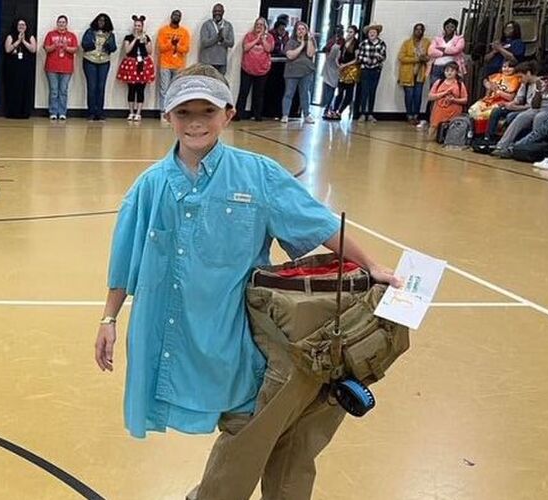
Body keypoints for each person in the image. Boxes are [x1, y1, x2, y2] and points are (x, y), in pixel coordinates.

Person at [95, 63, 400, 500]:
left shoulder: (260, 176)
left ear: (228, 113)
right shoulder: (150, 186)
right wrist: (108, 319)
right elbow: (124, 260)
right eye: (184, 113)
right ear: (168, 117)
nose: (196, 122)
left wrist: (372, 266)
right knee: (252, 429)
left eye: (207, 110)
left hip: (244, 334)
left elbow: (318, 224)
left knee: (257, 424)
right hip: (177, 334)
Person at [118, 15, 155, 121]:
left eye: (139, 26)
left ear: (142, 26)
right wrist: (135, 39)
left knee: (140, 89)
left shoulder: (146, 37)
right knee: (131, 89)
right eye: (135, 25)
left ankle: (139, 112)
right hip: (132, 64)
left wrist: (144, 40)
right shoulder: (128, 37)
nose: (137, 27)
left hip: (143, 64)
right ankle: (131, 112)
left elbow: (149, 51)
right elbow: (127, 50)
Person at [236, 18, 273, 121]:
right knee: (243, 92)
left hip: (262, 70)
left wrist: (263, 39)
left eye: (261, 25)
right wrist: (257, 39)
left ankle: (257, 115)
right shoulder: (249, 36)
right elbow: (246, 48)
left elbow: (269, 49)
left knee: (258, 94)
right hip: (247, 68)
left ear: (265, 27)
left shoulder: (269, 37)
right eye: (257, 24)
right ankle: (238, 114)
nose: (259, 26)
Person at [81, 13, 117, 122]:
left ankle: (100, 113)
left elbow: (114, 48)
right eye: (99, 20)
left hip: (104, 61)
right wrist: (92, 44)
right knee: (91, 87)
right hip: (90, 60)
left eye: (104, 21)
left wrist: (108, 45)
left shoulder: (110, 34)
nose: (101, 22)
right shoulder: (90, 32)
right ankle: (91, 113)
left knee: (101, 87)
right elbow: (84, 44)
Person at [44, 15, 78, 121]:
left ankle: (62, 112)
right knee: (54, 91)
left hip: (67, 67)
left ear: (66, 24)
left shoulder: (71, 36)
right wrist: (54, 46)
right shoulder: (50, 34)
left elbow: (75, 49)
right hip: (52, 67)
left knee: (63, 90)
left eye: (63, 22)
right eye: (59, 22)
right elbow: (46, 48)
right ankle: (53, 112)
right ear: (57, 23)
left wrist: (66, 47)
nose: (61, 24)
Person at [282, 21, 317, 123]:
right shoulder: (291, 42)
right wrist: (301, 45)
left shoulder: (311, 41)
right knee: (289, 93)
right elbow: (290, 55)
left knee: (305, 93)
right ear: (295, 31)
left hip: (306, 71)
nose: (301, 31)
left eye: (303, 29)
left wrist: (309, 40)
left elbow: (310, 54)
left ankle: (307, 114)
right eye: (299, 29)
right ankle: (285, 115)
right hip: (291, 72)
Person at [2, 19, 37, 119]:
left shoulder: (30, 36)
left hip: (26, 69)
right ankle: (12, 112)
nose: (21, 26)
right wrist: (18, 41)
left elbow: (33, 49)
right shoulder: (10, 36)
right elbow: (8, 49)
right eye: (19, 24)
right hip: (13, 69)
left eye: (23, 24)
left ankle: (24, 112)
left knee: (25, 89)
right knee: (13, 89)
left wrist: (23, 41)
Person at [156, 10, 190, 112]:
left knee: (177, 89)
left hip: (178, 65)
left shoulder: (184, 32)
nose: (176, 17)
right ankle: (164, 111)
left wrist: (177, 45)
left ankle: (174, 110)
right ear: (171, 16)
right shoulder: (163, 30)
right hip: (165, 64)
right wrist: (171, 43)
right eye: (174, 15)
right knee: (164, 89)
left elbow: (186, 49)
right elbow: (161, 48)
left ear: (180, 18)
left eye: (178, 15)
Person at [398, 23, 431, 125]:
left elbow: (430, 56)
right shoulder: (407, 43)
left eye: (421, 30)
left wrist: (424, 58)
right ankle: (409, 115)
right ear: (413, 30)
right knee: (409, 95)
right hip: (408, 73)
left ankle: (416, 115)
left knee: (418, 95)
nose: (418, 31)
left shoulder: (427, 43)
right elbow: (401, 57)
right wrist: (416, 59)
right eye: (417, 29)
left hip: (420, 74)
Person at [325, 25, 360, 120]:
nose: (348, 34)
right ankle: (334, 110)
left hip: (351, 70)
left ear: (355, 33)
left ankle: (340, 112)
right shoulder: (344, 42)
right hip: (342, 69)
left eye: (351, 32)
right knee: (340, 91)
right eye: (348, 31)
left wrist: (346, 65)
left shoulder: (356, 43)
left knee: (348, 93)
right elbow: (338, 56)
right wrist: (338, 64)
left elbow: (357, 59)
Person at [354, 24, 387, 122]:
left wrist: (378, 57)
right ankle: (363, 113)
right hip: (365, 69)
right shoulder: (363, 43)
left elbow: (384, 57)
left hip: (376, 70)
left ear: (377, 33)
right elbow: (359, 57)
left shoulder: (381, 44)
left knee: (373, 91)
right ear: (367, 34)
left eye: (374, 32)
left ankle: (370, 113)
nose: (372, 34)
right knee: (364, 91)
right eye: (370, 32)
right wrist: (366, 59)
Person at [427, 63, 468, 141]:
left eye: (452, 71)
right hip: (438, 113)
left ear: (456, 72)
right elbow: (430, 97)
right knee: (433, 137)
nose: (449, 73)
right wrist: (444, 93)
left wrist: (454, 100)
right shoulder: (439, 82)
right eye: (447, 71)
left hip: (453, 114)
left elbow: (465, 100)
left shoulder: (460, 84)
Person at [199, 3, 234, 76]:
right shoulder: (206, 24)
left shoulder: (228, 25)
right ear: (212, 12)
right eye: (215, 11)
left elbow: (231, 43)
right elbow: (204, 43)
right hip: (207, 62)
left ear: (223, 12)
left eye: (219, 11)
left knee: (219, 84)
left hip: (221, 63)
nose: (217, 13)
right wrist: (216, 38)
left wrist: (222, 40)